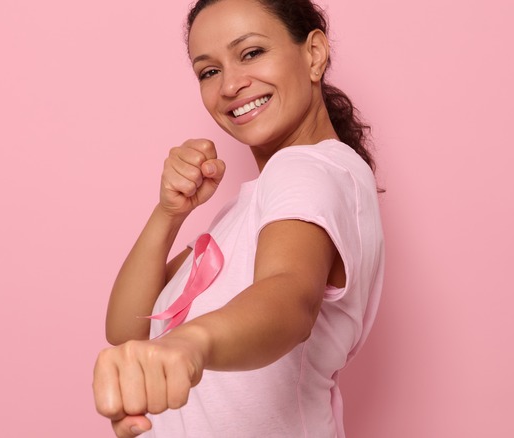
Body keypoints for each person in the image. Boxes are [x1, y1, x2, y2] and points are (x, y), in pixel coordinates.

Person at [93, 0, 384, 436]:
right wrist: (168, 213)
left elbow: (289, 296)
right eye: (209, 71)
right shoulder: (250, 207)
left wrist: (192, 344)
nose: (230, 85)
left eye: (251, 53)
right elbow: (127, 329)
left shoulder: (307, 169)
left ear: (314, 53)